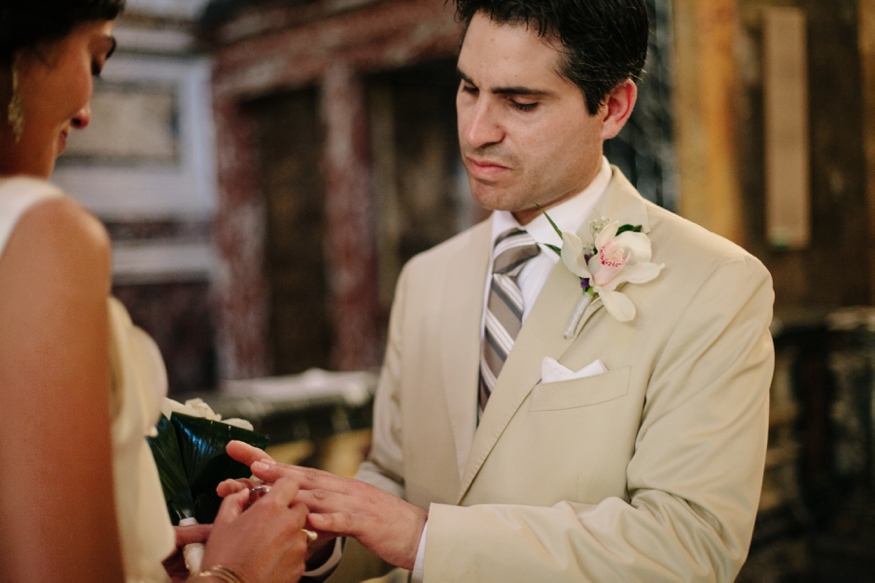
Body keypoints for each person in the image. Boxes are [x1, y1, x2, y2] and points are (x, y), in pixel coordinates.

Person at [224, 0, 775, 581]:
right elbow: (392, 479)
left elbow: (688, 545)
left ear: (612, 109)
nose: (477, 130)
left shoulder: (715, 285)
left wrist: (426, 538)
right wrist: (314, 535)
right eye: (468, 89)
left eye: (521, 102)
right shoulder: (426, 278)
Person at [0, 1, 312, 581]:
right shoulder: (35, 230)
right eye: (94, 59)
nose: (87, 111)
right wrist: (235, 574)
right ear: (18, 53)